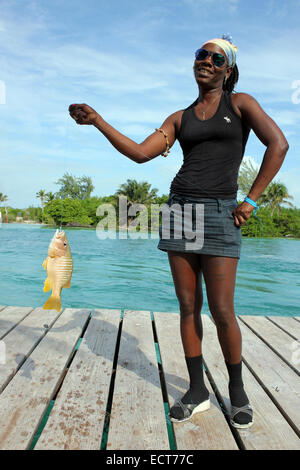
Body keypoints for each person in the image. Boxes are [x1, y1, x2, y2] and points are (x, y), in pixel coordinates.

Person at [69, 35, 289, 429]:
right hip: (180, 212)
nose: (205, 60)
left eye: (215, 57)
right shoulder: (179, 117)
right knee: (188, 307)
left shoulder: (240, 104)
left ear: (228, 69)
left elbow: (279, 145)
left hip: (222, 213)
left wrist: (251, 201)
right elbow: (140, 153)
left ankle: (237, 392)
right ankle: (196, 390)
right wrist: (97, 121)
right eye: (200, 54)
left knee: (223, 310)